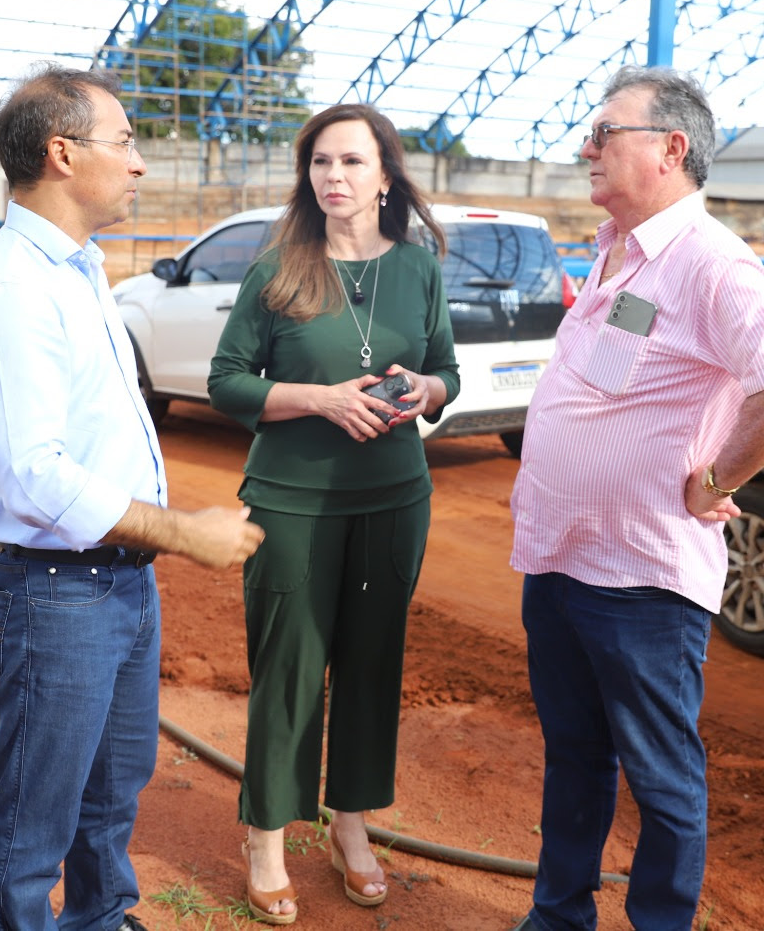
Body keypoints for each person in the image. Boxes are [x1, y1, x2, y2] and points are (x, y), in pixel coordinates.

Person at [0, 63, 265, 931]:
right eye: (124, 142)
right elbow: (36, 475)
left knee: (113, 786)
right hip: (57, 592)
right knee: (36, 811)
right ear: (61, 152)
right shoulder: (16, 288)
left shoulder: (77, 271)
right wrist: (180, 531)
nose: (138, 165)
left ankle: (100, 918)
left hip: (116, 584)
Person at [507, 66, 764, 931]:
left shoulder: (712, 262)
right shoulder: (616, 250)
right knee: (575, 757)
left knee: (660, 775)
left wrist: (716, 479)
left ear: (671, 148)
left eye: (605, 132)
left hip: (642, 577)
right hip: (564, 558)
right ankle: (559, 917)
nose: (586, 147)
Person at [207, 103, 460, 925]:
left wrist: (424, 390)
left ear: (385, 175)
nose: (334, 178)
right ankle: (267, 841)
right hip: (291, 505)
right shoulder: (279, 268)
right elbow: (228, 380)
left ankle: (351, 828)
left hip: (394, 503)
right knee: (287, 673)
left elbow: (446, 373)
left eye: (351, 162)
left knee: (371, 665)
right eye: (320, 163)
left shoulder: (418, 270)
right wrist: (316, 398)